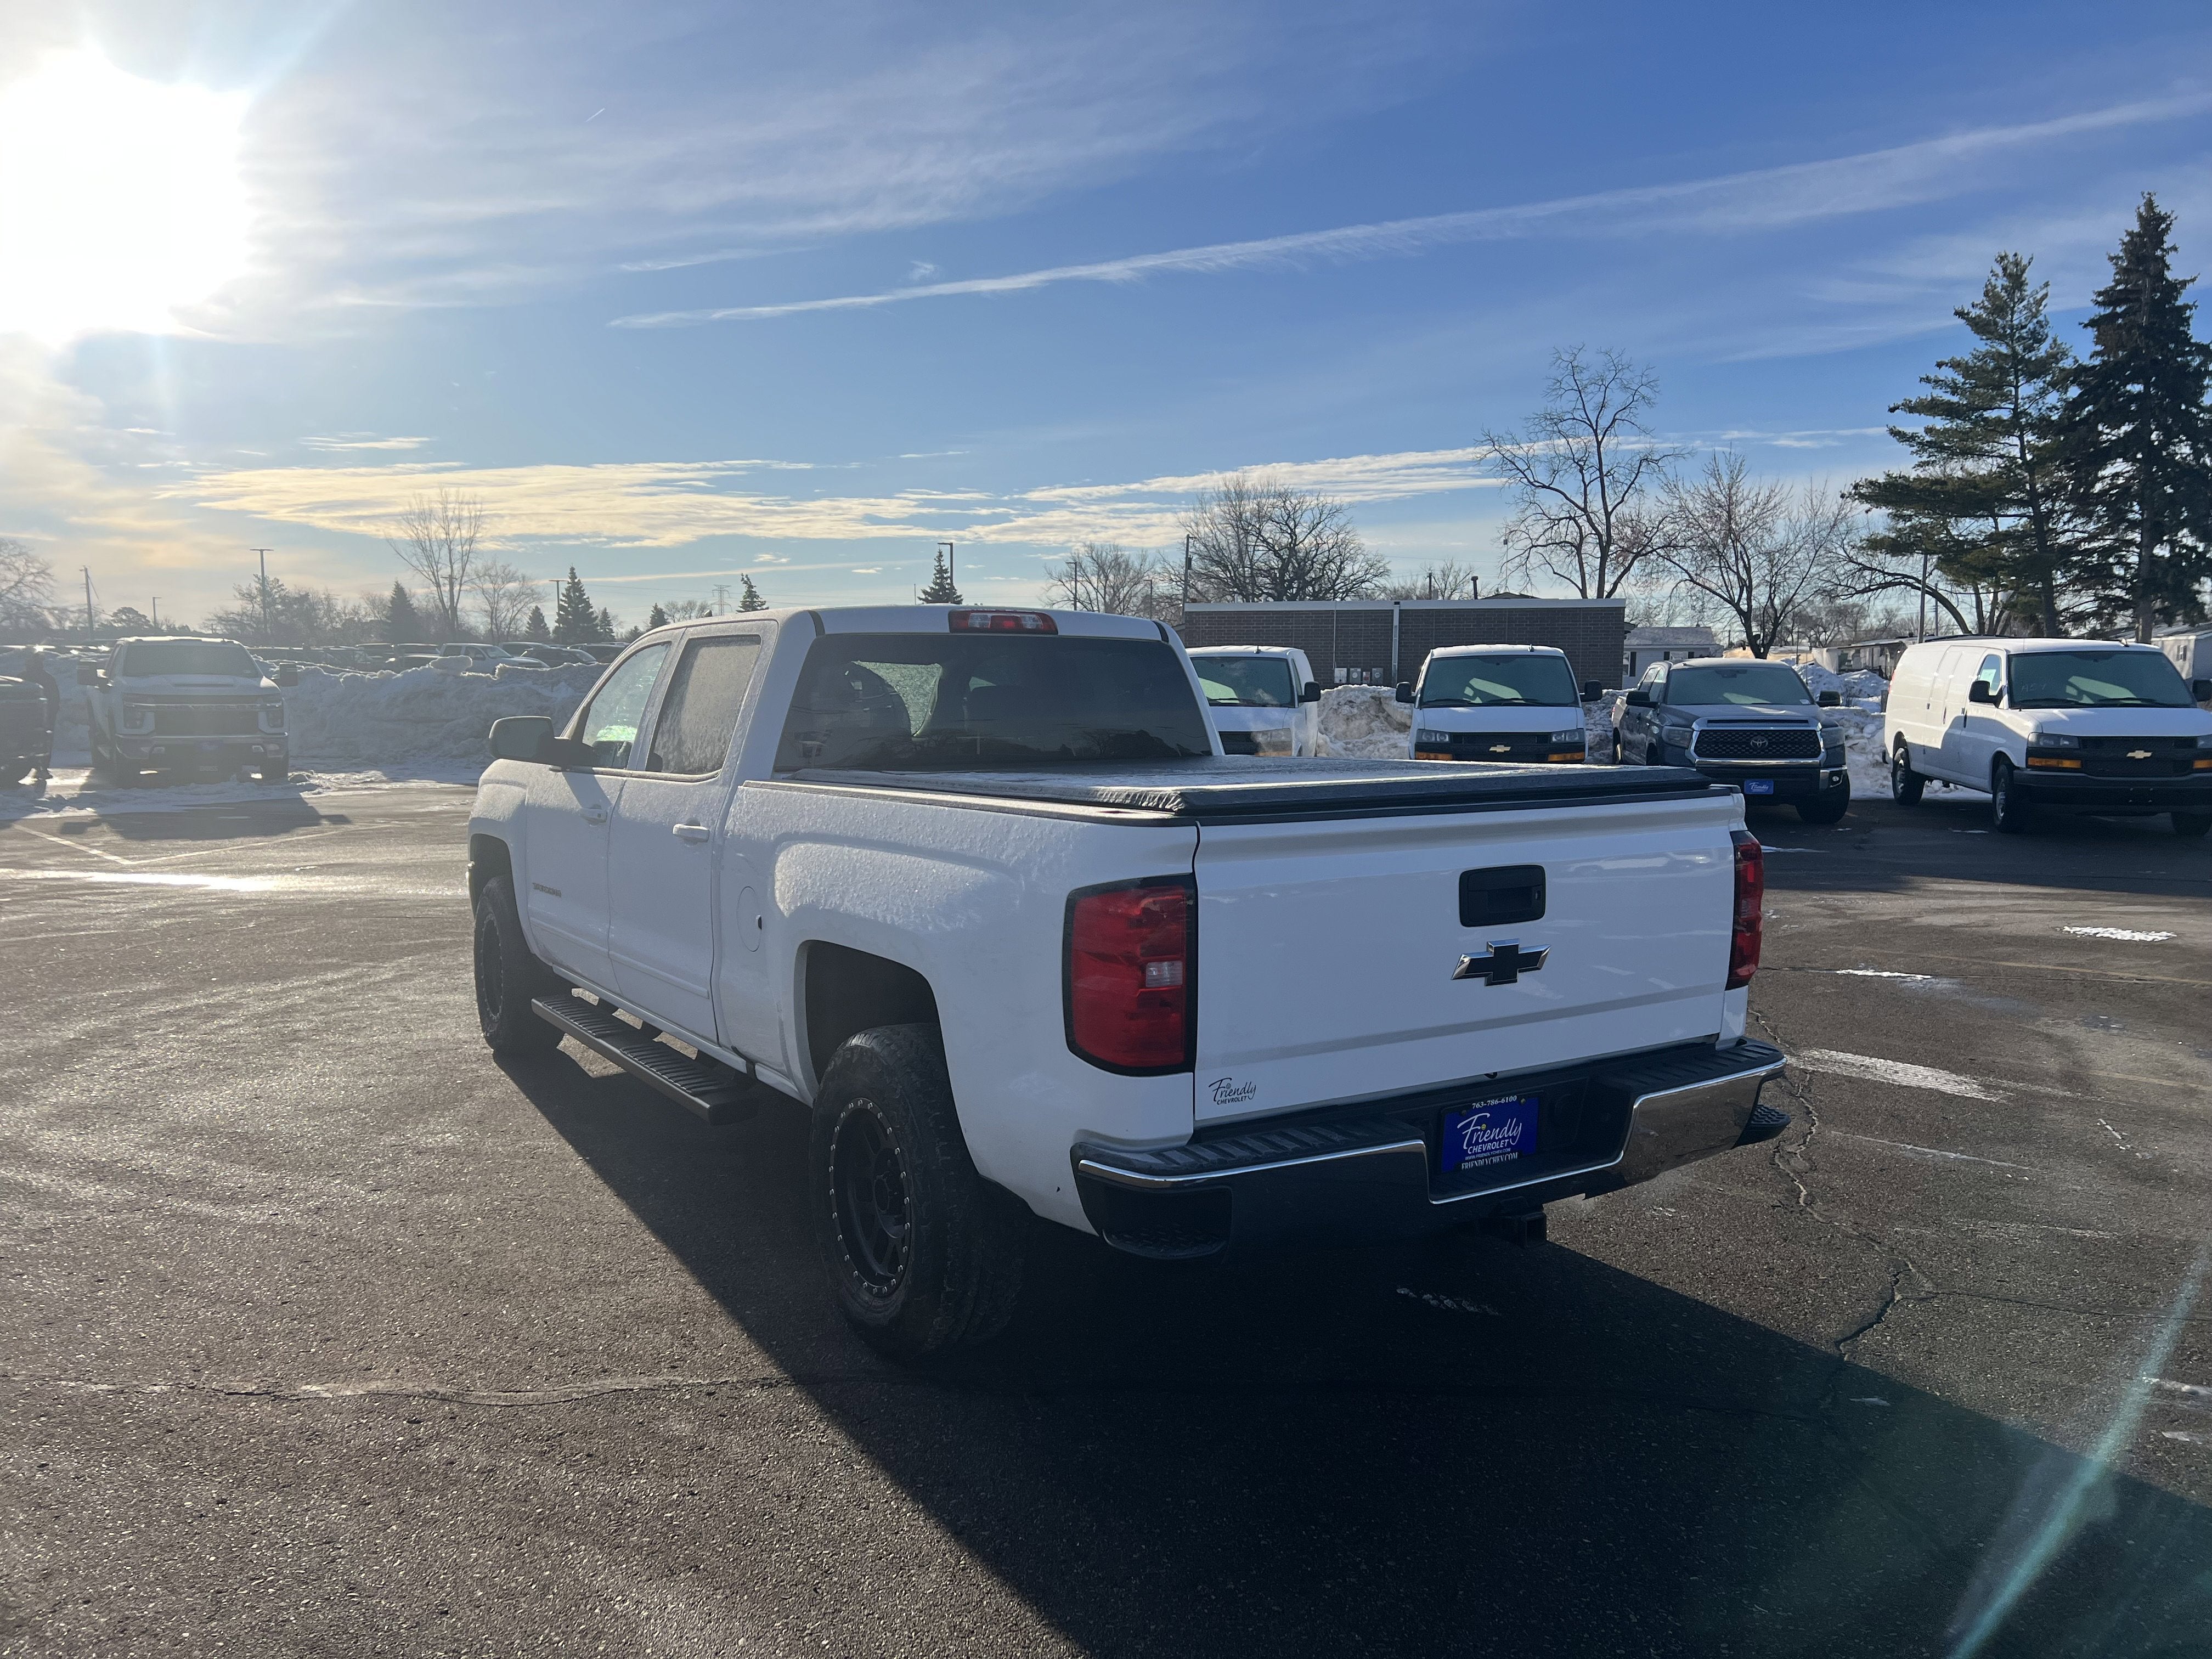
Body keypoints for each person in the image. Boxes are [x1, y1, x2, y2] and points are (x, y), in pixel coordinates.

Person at [9, 647, 58, 780]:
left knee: (28, 742)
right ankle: (42, 768)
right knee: (43, 742)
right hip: (42, 717)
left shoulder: (22, 678)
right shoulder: (48, 678)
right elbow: (54, 700)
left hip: (26, 718)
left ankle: (38, 767)